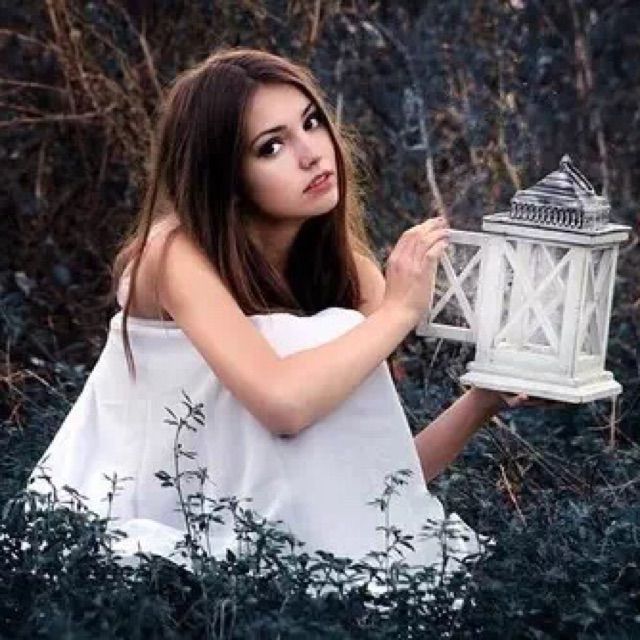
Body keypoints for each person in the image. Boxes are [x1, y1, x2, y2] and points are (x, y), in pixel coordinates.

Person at [27, 47, 528, 590]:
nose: (311, 153)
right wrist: (398, 312)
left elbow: (375, 479)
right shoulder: (171, 256)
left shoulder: (352, 276)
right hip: (119, 544)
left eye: (311, 122)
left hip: (263, 555)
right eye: (271, 146)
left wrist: (483, 401)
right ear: (225, 177)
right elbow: (283, 405)